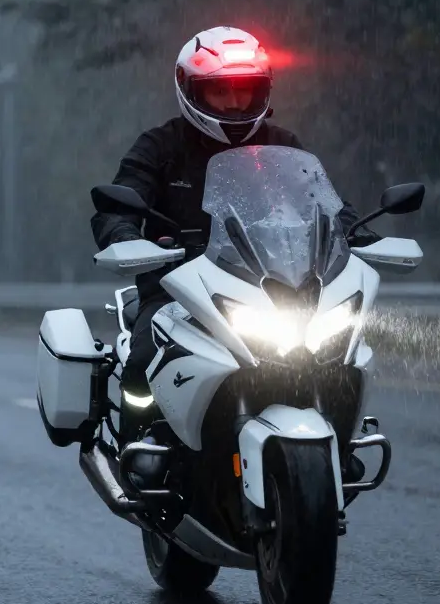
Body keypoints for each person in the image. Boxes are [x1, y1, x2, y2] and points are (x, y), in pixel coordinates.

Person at [90, 26, 377, 486]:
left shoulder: (284, 146)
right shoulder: (161, 146)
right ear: (190, 90)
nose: (234, 104)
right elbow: (118, 202)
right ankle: (140, 447)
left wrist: (353, 233)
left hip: (273, 287)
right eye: (220, 92)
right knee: (147, 351)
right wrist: (126, 234)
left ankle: (338, 445)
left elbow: (328, 206)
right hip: (178, 289)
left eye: (245, 92)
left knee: (335, 348)